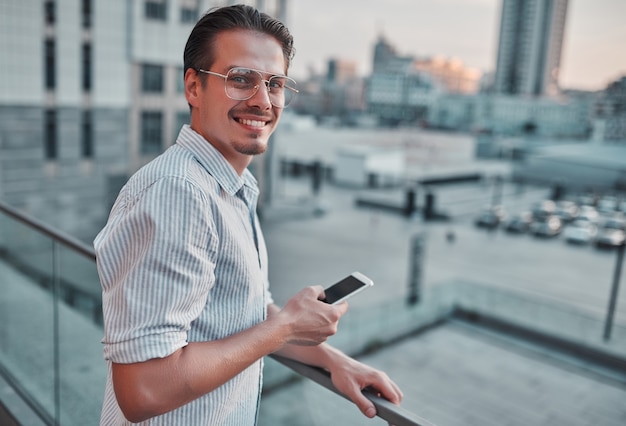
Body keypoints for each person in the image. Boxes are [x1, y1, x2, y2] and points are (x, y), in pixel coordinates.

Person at [94, 4, 403, 425]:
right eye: (240, 79)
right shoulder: (179, 193)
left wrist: (333, 362)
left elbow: (243, 314)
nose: (262, 101)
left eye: (275, 84)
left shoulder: (230, 187)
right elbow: (144, 389)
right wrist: (287, 326)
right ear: (193, 88)